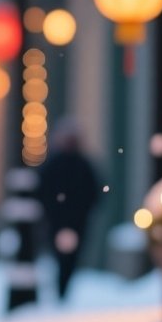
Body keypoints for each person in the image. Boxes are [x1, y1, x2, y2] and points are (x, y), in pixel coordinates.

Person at [37, 117, 100, 302]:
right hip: (62, 221)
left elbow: (93, 193)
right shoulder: (59, 165)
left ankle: (62, 290)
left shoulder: (81, 165)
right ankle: (61, 290)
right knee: (65, 258)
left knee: (69, 258)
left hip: (72, 221)